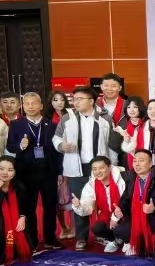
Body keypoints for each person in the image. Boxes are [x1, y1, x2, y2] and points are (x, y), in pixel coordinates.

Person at [60, 86, 112, 251]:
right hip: (76, 166)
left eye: (80, 99)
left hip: (99, 167)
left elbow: (110, 143)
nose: (76, 102)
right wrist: (61, 145)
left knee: (102, 200)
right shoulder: (67, 117)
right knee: (78, 201)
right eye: (74, 99)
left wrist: (112, 165)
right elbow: (56, 138)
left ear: (91, 101)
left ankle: (103, 234)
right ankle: (81, 237)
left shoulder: (104, 118)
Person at [9, 91, 60, 249]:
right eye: (27, 104)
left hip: (48, 171)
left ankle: (50, 238)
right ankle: (33, 239)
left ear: (41, 105)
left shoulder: (51, 125)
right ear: (22, 106)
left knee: (50, 206)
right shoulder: (16, 124)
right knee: (28, 207)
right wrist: (20, 146)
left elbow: (57, 151)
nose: (30, 106)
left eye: (34, 103)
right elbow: (10, 146)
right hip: (26, 172)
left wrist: (60, 172)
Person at [111, 148, 155, 263]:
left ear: (150, 164)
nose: (137, 164)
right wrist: (120, 211)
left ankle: (154, 245)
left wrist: (154, 208)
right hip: (138, 222)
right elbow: (125, 200)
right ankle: (138, 244)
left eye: (141, 161)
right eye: (135, 161)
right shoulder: (132, 179)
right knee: (119, 229)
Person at [72, 156, 125, 252]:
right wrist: (78, 206)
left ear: (109, 167)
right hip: (107, 216)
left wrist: (115, 218)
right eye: (94, 169)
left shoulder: (121, 179)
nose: (98, 172)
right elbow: (87, 206)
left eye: (101, 168)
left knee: (123, 229)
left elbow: (126, 202)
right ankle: (114, 240)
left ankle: (126, 240)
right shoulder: (92, 184)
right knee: (97, 228)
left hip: (124, 214)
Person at [0, 157, 31, 264]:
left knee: (22, 223)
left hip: (14, 221)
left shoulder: (19, 187)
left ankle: (17, 249)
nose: (5, 173)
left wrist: (23, 217)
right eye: (1, 169)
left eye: (10, 170)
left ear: (15, 172)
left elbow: (26, 207)